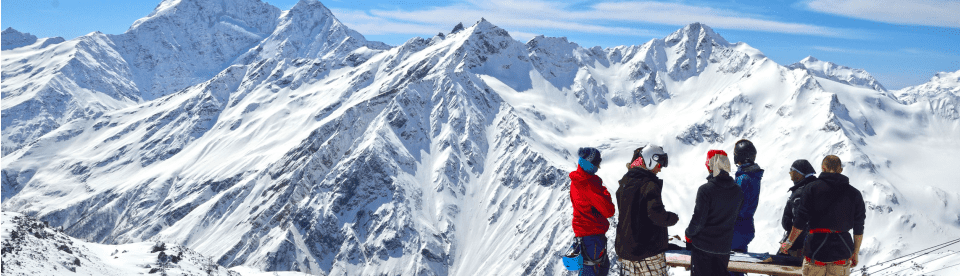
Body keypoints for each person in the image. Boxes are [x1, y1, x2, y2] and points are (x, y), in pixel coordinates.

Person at [780, 155, 866, 276]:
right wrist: (855, 252)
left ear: (822, 168)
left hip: (815, 251)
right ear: (841, 170)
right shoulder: (855, 194)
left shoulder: (811, 189)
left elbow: (800, 220)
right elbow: (859, 226)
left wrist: (788, 242)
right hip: (842, 252)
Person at [615, 145, 678, 276]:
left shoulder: (624, 183)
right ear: (650, 160)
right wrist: (672, 218)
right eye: (659, 165)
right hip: (647, 251)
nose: (659, 169)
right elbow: (655, 215)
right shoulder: (649, 184)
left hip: (627, 251)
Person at [685, 150, 744, 276]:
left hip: (702, 247)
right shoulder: (738, 191)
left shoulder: (705, 190)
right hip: (724, 248)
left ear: (710, 166)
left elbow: (698, 221)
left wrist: (688, 234)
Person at [570, 147, 616, 276]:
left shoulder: (576, 180)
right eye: (597, 163)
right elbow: (609, 211)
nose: (598, 167)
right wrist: (605, 192)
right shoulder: (589, 184)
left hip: (583, 235)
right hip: (592, 237)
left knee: (592, 269)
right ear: (589, 163)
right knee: (593, 271)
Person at [731, 139, 763, 276]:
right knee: (737, 266)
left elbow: (737, 204)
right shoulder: (753, 176)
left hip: (737, 226)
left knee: (731, 266)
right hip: (746, 225)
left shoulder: (743, 178)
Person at [779, 159, 818, 257]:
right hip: (811, 242)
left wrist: (789, 242)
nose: (790, 174)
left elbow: (801, 222)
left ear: (799, 173)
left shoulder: (800, 194)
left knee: (782, 267)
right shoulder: (814, 188)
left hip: (798, 245)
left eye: (792, 171)